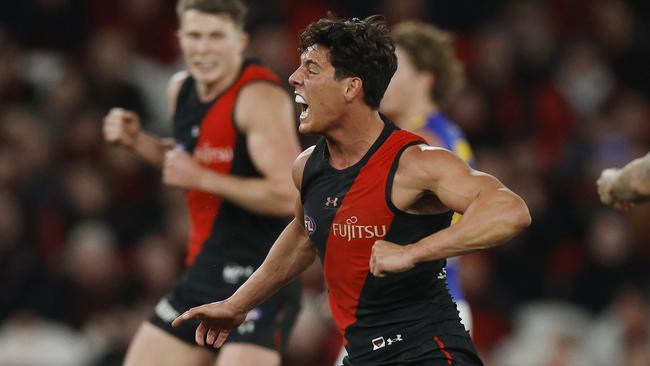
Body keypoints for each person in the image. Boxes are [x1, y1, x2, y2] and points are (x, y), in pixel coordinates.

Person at [173, 15, 531, 365]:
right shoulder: (309, 166)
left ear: (351, 87)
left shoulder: (415, 162)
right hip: (363, 354)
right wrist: (237, 304)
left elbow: (510, 211)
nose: (294, 78)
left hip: (426, 351)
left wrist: (414, 251)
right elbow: (303, 234)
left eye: (311, 69)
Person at [102, 1, 302, 365]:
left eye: (216, 37)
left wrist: (203, 178)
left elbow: (288, 195)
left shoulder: (259, 97)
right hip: (204, 270)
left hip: (260, 280)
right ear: (180, 38)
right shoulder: (182, 89)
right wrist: (139, 143)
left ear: (240, 41)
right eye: (195, 35)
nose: (204, 47)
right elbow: (193, 161)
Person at [382, 20, 475, 331]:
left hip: (417, 313)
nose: (381, 78)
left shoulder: (419, 143)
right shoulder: (448, 133)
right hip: (432, 304)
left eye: (394, 69)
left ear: (424, 80)